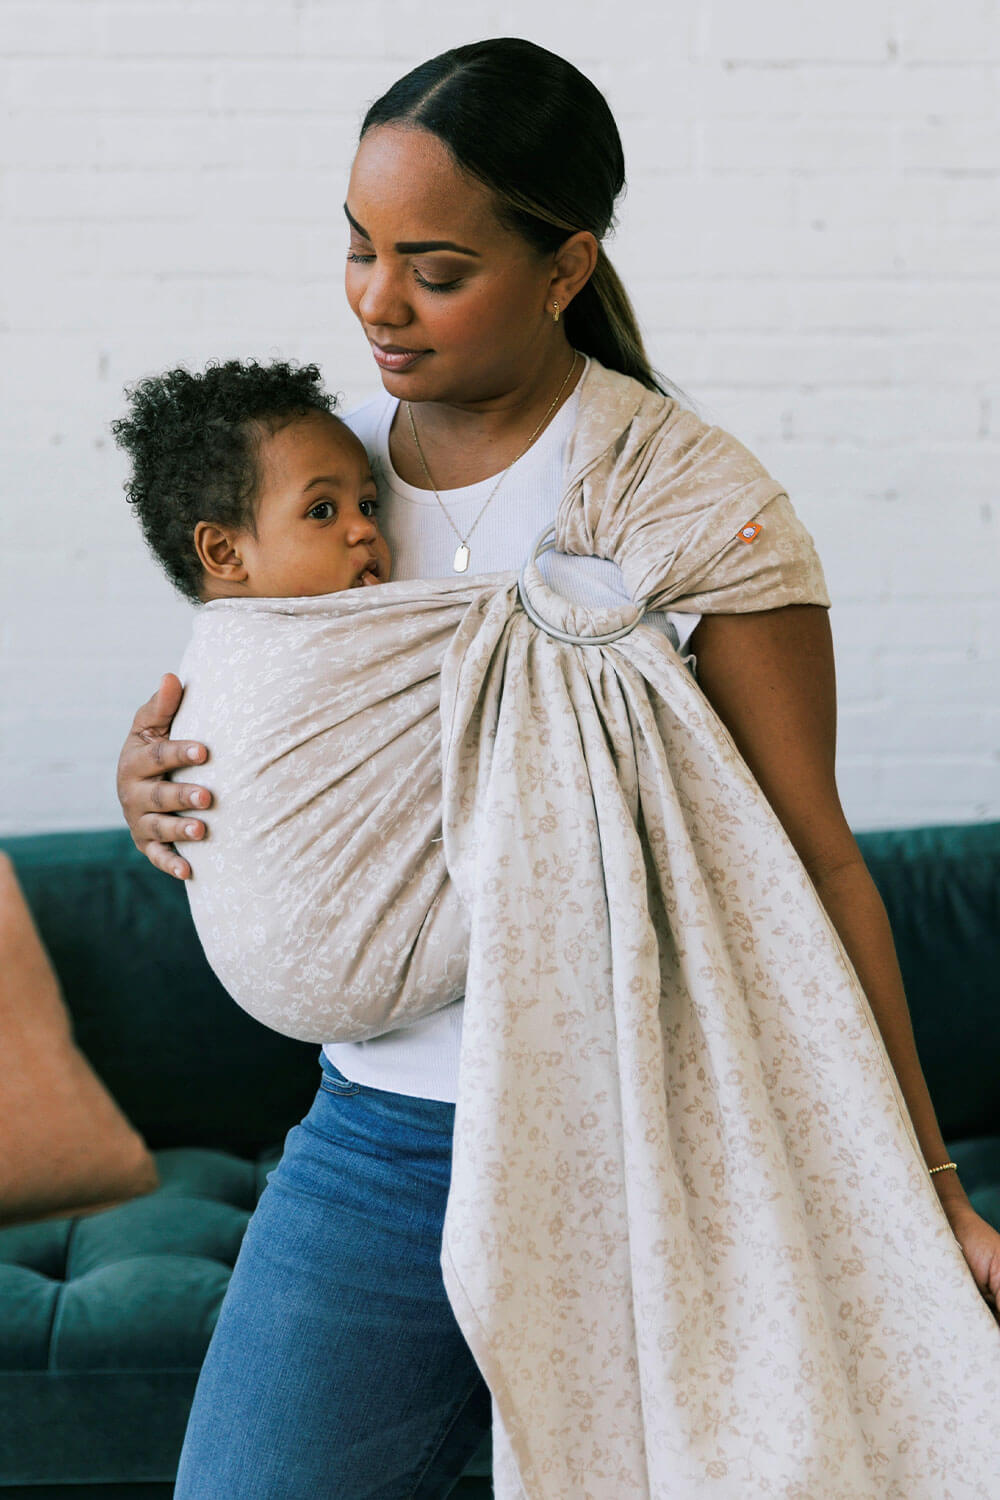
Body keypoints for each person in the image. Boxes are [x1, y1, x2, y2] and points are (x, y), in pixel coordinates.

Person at [114, 38, 1000, 1500]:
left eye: (437, 268)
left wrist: (927, 1187)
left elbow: (815, 858)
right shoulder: (318, 481)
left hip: (644, 1147)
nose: (378, 305)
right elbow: (278, 730)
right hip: (379, 1140)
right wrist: (153, 786)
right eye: (359, 249)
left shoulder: (691, 511)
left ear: (564, 264)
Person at [111, 359, 390, 603]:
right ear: (226, 552)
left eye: (366, 505)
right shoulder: (250, 659)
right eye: (322, 511)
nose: (365, 529)